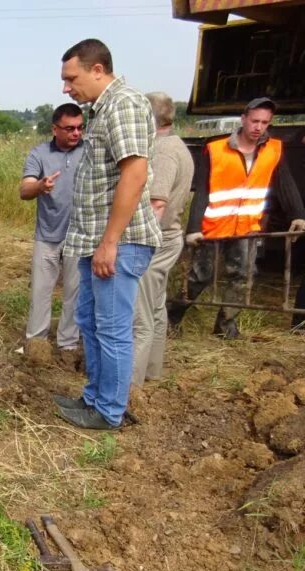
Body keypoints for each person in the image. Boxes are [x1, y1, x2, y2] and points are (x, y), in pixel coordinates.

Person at [53, 39, 161, 430]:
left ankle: (109, 411)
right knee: (90, 320)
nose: (66, 88)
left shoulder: (125, 105)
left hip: (119, 241)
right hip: (95, 240)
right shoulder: (101, 110)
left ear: (97, 70)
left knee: (112, 328)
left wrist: (110, 242)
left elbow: (133, 174)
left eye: (71, 78)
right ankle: (95, 397)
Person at [170, 97, 305, 339]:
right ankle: (171, 318)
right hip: (214, 227)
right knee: (200, 277)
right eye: (254, 121)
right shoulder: (216, 149)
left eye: (264, 122)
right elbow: (202, 190)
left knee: (243, 277)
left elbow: (285, 184)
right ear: (243, 119)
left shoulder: (274, 149)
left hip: (247, 227)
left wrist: (298, 215)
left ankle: (225, 328)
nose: (258, 127)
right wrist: (193, 227)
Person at [131, 92, 195, 386]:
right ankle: (152, 372)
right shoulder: (176, 145)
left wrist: (139, 245)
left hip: (155, 240)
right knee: (155, 309)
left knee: (139, 316)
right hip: (168, 237)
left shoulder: (164, 152)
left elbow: (157, 203)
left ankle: (129, 386)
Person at [19, 103, 86, 354]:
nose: (76, 133)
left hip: (80, 236)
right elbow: (24, 190)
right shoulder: (39, 154)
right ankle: (36, 343)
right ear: (54, 129)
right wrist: (40, 186)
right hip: (47, 234)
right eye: (69, 128)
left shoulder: (89, 152)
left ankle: (67, 345)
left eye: (80, 127)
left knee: (75, 293)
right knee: (40, 291)